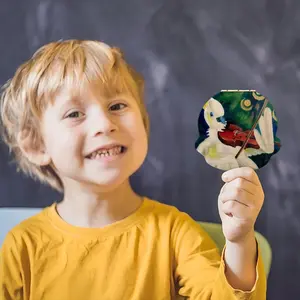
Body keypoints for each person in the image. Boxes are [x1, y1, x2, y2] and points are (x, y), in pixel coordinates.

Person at [0, 40, 266, 300]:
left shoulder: (174, 232)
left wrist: (240, 240)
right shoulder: (22, 246)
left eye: (117, 106)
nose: (104, 124)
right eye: (74, 114)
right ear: (36, 144)